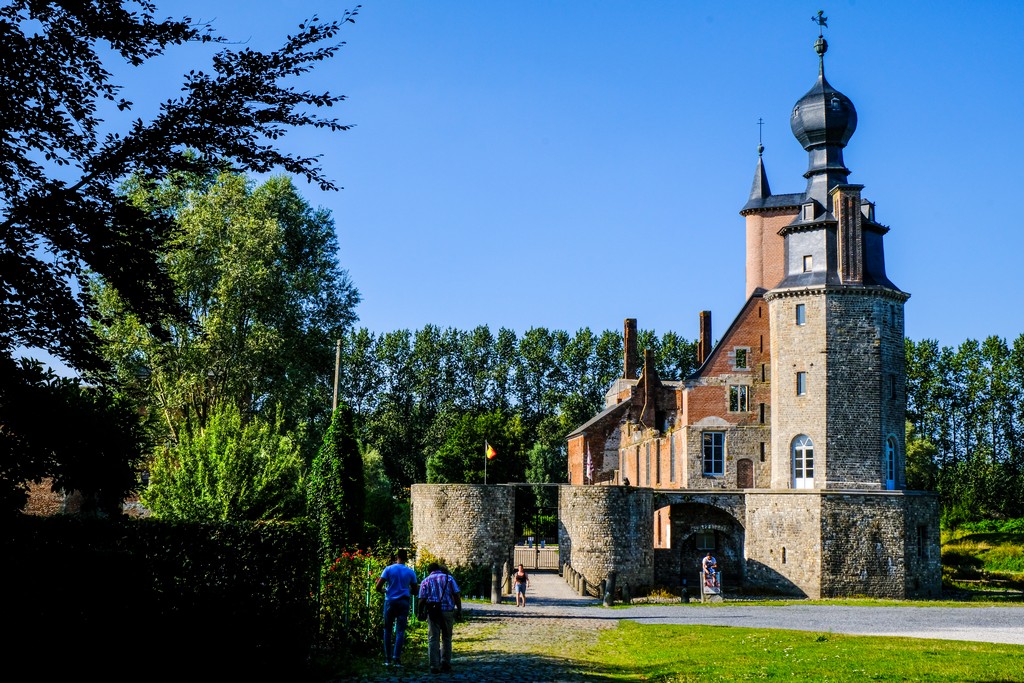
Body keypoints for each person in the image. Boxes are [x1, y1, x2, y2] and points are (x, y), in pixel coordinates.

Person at [375, 549, 418, 668]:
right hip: (403, 601)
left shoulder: (388, 569)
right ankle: (397, 658)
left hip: (390, 601)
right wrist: (407, 590)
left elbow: (378, 587)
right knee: (400, 631)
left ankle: (387, 658)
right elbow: (415, 591)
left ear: (397, 556)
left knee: (387, 629)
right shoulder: (410, 572)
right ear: (406, 558)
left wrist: (385, 590)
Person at [418, 561, 462, 674]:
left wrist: (420, 612)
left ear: (429, 571)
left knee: (433, 638)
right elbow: (456, 595)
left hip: (433, 612)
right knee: (447, 637)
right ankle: (445, 662)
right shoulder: (449, 578)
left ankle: (434, 665)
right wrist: (459, 610)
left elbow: (421, 599)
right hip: (447, 610)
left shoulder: (425, 581)